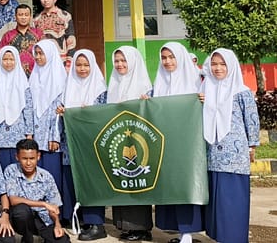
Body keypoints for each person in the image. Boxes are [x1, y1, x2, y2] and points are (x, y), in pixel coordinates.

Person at [202, 48, 259, 243]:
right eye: (214, 64)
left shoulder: (241, 91)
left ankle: (235, 238)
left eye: (222, 64)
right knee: (218, 204)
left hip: (235, 157)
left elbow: (252, 120)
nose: (217, 68)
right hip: (213, 156)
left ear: (232, 66)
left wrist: (252, 146)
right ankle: (221, 238)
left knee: (233, 201)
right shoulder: (207, 89)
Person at [151, 43, 203, 243]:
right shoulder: (159, 83)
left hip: (188, 146)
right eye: (164, 57)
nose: (167, 61)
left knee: (186, 186)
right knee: (170, 186)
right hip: (166, 145)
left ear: (181, 57)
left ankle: (188, 232)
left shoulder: (196, 82)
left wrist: (202, 100)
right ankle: (178, 231)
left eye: (171, 57)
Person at [56, 50, 107, 240]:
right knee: (72, 181)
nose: (82, 69)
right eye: (78, 65)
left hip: (91, 145)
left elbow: (105, 116)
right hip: (70, 144)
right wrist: (62, 112)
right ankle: (79, 220)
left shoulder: (100, 89)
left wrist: (90, 113)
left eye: (86, 65)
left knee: (90, 181)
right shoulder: (68, 87)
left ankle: (96, 224)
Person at [108, 46, 153, 241]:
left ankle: (141, 228)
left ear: (133, 62)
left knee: (137, 182)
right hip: (119, 141)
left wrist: (147, 102)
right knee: (121, 181)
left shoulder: (145, 87)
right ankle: (124, 226)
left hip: (138, 142)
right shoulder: (113, 85)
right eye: (117, 61)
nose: (119, 65)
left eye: (124, 60)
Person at [4, 139, 70, 243]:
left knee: (62, 240)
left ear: (38, 156)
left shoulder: (46, 176)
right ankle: (27, 239)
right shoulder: (11, 170)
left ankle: (40, 238)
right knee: (22, 211)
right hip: (20, 220)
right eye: (24, 158)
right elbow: (13, 200)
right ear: (17, 157)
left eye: (32, 158)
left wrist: (57, 225)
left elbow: (54, 207)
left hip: (43, 220)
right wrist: (43, 204)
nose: (28, 163)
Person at [0, 46, 34, 170]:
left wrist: (29, 135)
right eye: (5, 59)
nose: (8, 62)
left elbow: (28, 109)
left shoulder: (23, 83)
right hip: (1, 136)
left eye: (11, 59)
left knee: (20, 170)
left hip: (19, 136)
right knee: (4, 170)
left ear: (16, 60)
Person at [28, 40, 65, 191]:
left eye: (41, 54)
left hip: (50, 141)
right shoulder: (34, 76)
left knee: (52, 177)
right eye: (36, 53)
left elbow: (58, 112)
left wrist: (54, 137)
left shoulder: (60, 79)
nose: (37, 57)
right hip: (35, 137)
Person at [33, 0, 76, 65]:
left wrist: (69, 62)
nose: (46, 0)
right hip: (43, 60)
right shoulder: (36, 19)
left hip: (61, 59)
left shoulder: (65, 16)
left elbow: (71, 39)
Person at [0, 4, 43, 76]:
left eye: (26, 15)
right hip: (14, 75)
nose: (23, 17)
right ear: (15, 17)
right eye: (20, 15)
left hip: (36, 74)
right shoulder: (8, 36)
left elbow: (45, 54)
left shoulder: (38, 34)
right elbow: (1, 55)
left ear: (30, 17)